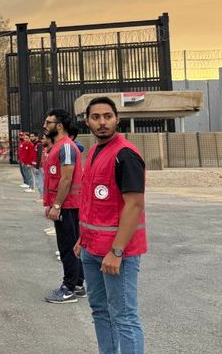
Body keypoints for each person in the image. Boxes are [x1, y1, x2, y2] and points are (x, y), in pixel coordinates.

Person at [75, 96, 147, 354]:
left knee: (124, 317)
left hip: (118, 254)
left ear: (117, 119)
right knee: (100, 311)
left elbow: (134, 206)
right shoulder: (94, 152)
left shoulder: (125, 155)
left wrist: (116, 252)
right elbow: (94, 203)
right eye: (96, 117)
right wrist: (82, 238)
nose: (102, 122)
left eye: (108, 116)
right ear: (87, 122)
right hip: (92, 251)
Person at [42, 108, 85, 303]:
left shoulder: (66, 147)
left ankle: (68, 288)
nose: (45, 126)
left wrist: (57, 205)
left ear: (59, 126)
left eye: (48, 122)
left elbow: (66, 179)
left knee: (67, 247)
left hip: (68, 206)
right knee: (72, 245)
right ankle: (77, 283)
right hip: (66, 205)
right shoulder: (60, 147)